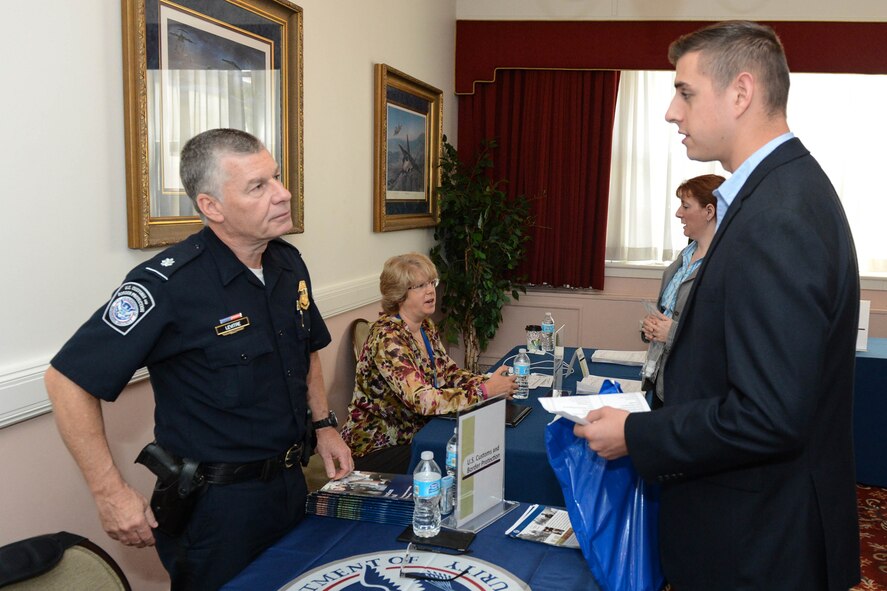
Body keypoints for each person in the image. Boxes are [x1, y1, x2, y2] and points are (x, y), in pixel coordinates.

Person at [575, 21, 860, 590]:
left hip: (759, 544)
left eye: (685, 92)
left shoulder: (778, 216)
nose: (670, 113)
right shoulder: (776, 194)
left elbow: (769, 415)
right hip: (758, 528)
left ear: (741, 93)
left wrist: (639, 435)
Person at [44, 128, 353, 590]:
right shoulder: (168, 284)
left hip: (290, 485)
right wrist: (109, 492)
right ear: (212, 207)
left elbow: (306, 348)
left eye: (277, 177)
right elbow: (66, 380)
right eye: (258, 186)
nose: (283, 194)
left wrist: (324, 424)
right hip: (216, 510)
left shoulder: (288, 265)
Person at [340, 253, 517, 473]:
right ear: (399, 294)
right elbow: (422, 400)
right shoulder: (387, 338)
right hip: (377, 447)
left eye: (432, 283)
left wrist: (491, 382)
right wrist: (484, 391)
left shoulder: (425, 327)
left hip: (417, 433)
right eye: (420, 286)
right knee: (463, 459)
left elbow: (448, 373)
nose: (430, 290)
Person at [640, 174, 723, 407]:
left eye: (686, 206)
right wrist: (651, 325)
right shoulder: (685, 256)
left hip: (693, 389)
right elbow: (669, 312)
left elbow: (724, 336)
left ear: (709, 211)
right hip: (662, 378)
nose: (678, 213)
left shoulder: (725, 266)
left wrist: (672, 333)